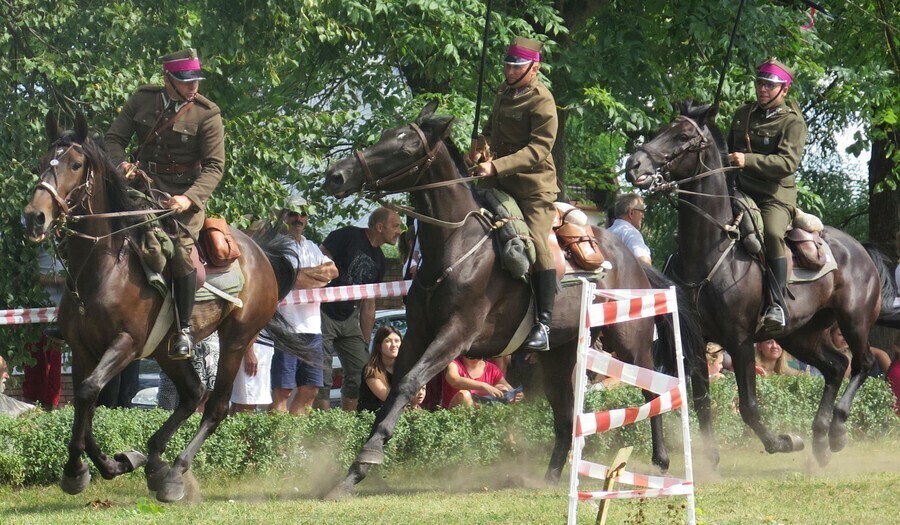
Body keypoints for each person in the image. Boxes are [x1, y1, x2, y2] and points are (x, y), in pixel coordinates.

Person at [105, 48, 225, 360]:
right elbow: (113, 140)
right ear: (167, 79)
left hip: (183, 197)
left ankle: (183, 330)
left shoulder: (206, 113)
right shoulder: (143, 99)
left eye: (195, 80)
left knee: (179, 251)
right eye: (185, 81)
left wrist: (190, 198)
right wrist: (120, 166)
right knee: (99, 231)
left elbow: (215, 167)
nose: (193, 86)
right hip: (142, 188)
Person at [468, 36, 559, 352]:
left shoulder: (542, 100)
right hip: (498, 184)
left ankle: (544, 324)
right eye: (507, 65)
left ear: (534, 67)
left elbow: (538, 148)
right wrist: (480, 149)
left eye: (516, 66)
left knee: (536, 244)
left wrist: (496, 167)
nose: (509, 71)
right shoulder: (503, 93)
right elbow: (492, 131)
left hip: (533, 188)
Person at [727, 58, 807, 332]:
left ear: (783, 90)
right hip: (741, 188)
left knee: (772, 232)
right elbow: (727, 153)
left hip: (774, 195)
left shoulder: (792, 123)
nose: (762, 89)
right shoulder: (742, 114)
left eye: (769, 85)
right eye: (760, 83)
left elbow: (787, 164)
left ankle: (776, 303)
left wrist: (747, 160)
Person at [317, 207, 402, 412]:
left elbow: (369, 302)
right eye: (396, 226)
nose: (399, 231)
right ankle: (322, 428)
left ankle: (348, 423)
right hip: (322, 312)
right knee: (323, 375)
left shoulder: (380, 259)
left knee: (362, 368)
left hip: (349, 318)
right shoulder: (347, 235)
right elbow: (318, 260)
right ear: (380, 227)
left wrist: (364, 340)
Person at [270, 196, 337, 415]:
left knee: (310, 389)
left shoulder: (310, 246)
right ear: (284, 216)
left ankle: (295, 441)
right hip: (285, 329)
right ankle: (276, 444)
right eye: (293, 213)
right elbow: (290, 279)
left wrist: (300, 276)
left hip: (313, 330)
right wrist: (315, 277)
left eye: (303, 213)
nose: (298, 218)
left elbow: (333, 272)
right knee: (283, 391)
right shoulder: (276, 245)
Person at [22, 247, 64, 410]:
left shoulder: (64, 236)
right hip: (37, 312)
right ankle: (30, 409)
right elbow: (26, 276)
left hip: (58, 313)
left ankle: (50, 413)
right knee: (36, 365)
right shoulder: (35, 236)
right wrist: (59, 280)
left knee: (54, 367)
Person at [357, 326, 423, 413]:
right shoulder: (371, 369)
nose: (394, 345)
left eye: (397, 341)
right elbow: (388, 398)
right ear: (378, 346)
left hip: (400, 413)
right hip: (373, 416)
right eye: (388, 341)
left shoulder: (406, 367)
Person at [441, 355, 524, 409]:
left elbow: (509, 389)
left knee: (502, 388)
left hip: (482, 414)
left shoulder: (491, 368)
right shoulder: (454, 364)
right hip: (455, 416)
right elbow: (454, 380)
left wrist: (517, 395)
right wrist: (484, 386)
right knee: (464, 395)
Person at [230, 334, 274, 413]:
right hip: (256, 345)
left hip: (263, 344)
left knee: (243, 402)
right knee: (248, 402)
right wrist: (249, 351)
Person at [607, 193, 652, 265]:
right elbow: (644, 263)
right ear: (631, 213)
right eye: (642, 211)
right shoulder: (631, 234)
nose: (643, 216)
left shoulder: (607, 232)